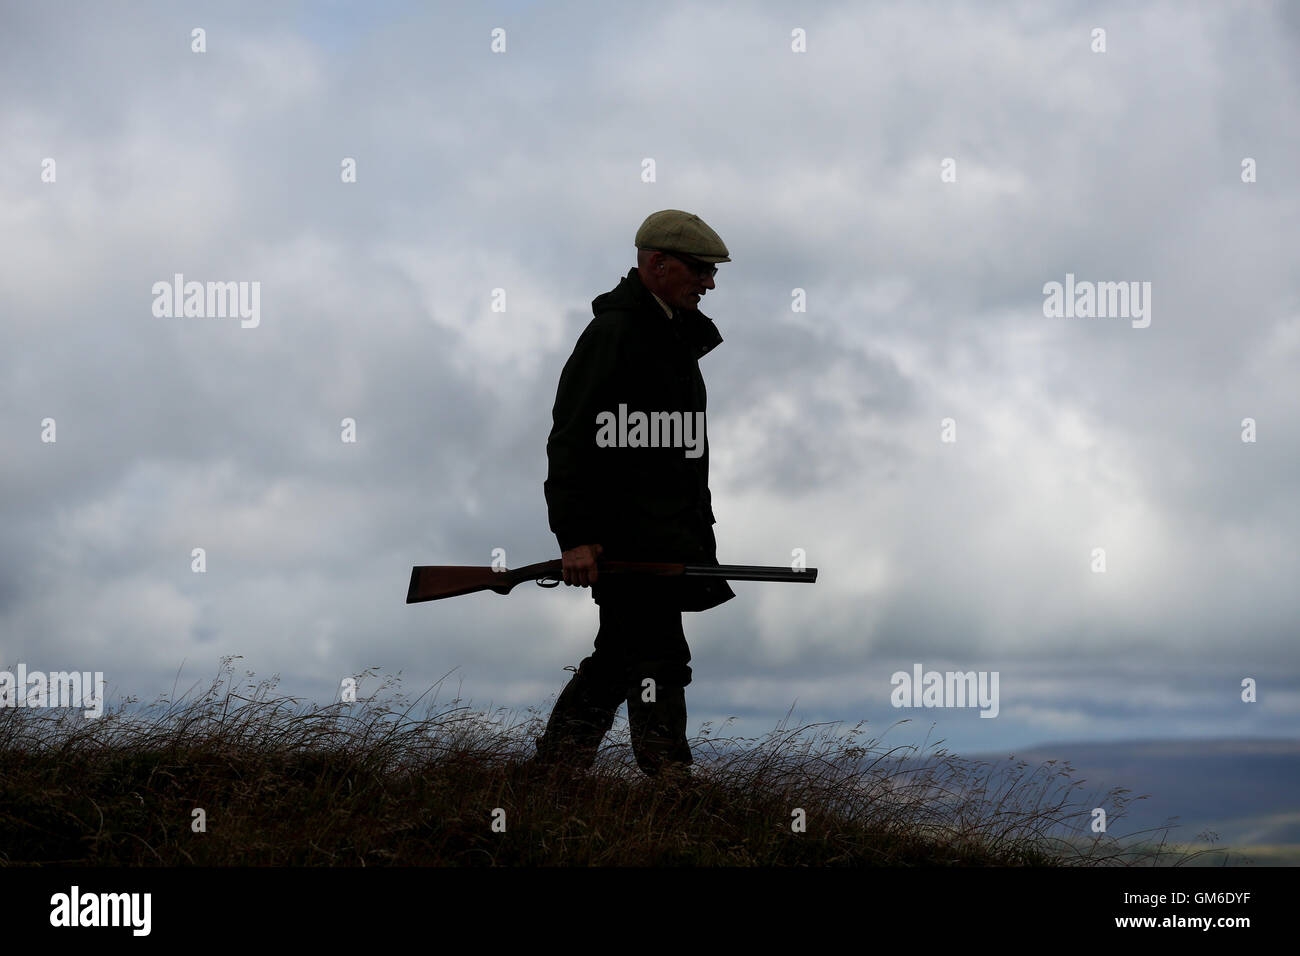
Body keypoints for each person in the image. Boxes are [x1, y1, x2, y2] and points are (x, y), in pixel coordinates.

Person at [533, 209, 736, 779]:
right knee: (658, 657)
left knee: (624, 657)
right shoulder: (615, 335)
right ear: (657, 264)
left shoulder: (669, 335)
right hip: (625, 541)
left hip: (662, 539)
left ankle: (555, 773)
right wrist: (575, 538)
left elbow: (674, 461)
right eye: (699, 270)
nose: (709, 283)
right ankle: (669, 777)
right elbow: (570, 442)